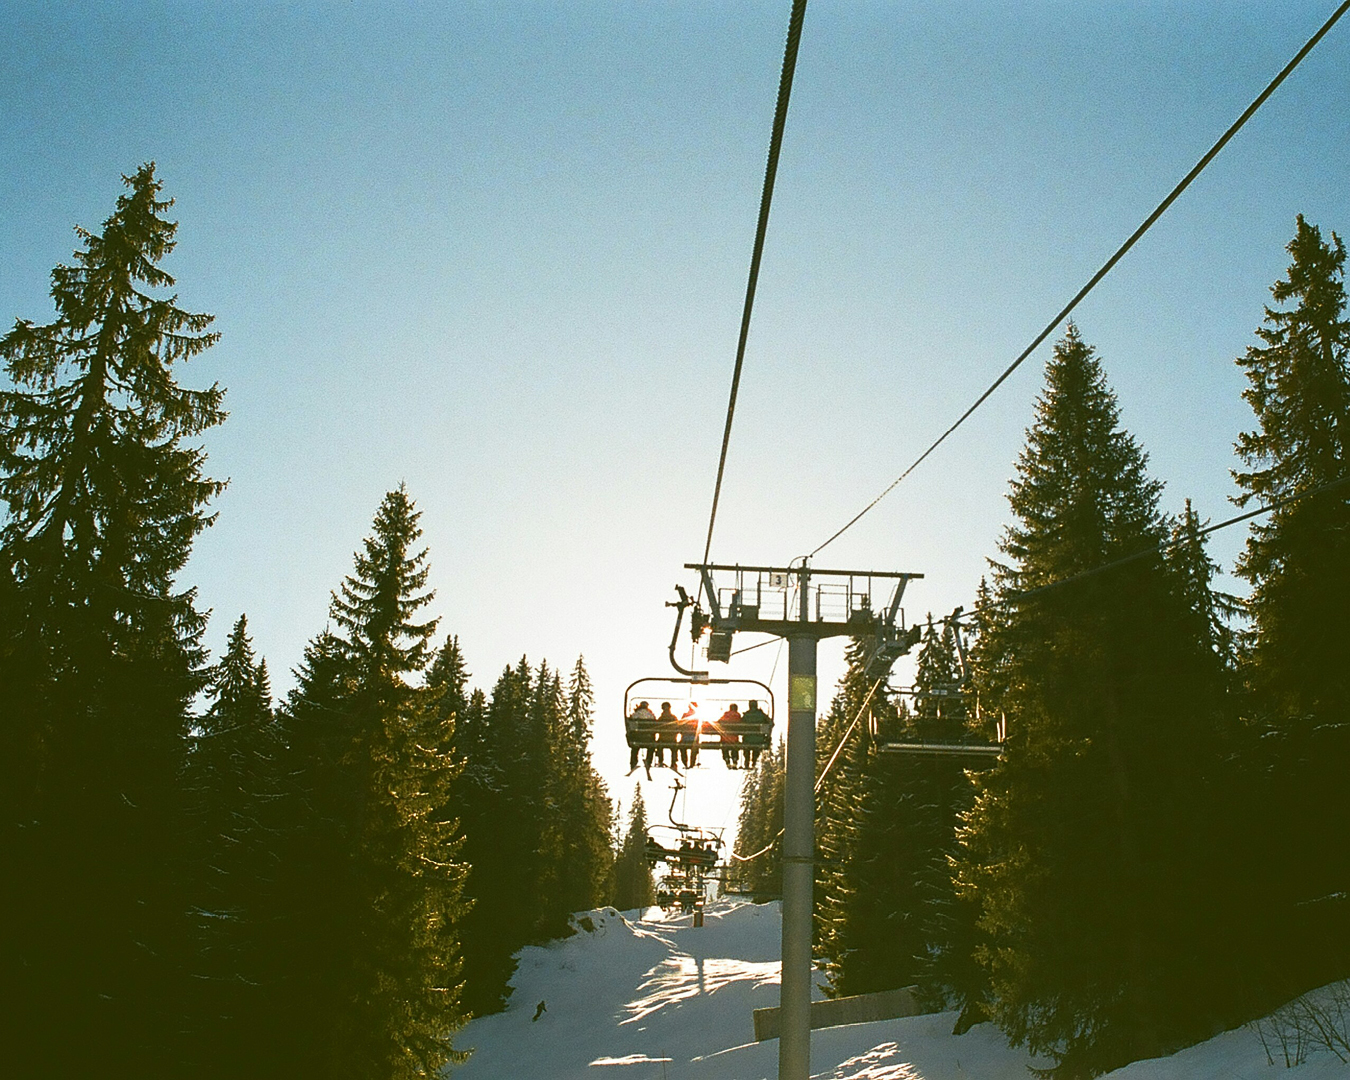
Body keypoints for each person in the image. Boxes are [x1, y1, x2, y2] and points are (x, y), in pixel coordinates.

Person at [626, 700, 655, 773]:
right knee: (651, 747)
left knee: (635, 748)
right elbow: (655, 724)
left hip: (637, 737)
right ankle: (649, 760)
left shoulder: (636, 714)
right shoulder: (650, 715)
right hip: (648, 737)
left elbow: (631, 724)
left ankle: (633, 762)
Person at [742, 699, 771, 767]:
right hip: (759, 739)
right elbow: (771, 723)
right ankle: (754, 761)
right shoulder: (762, 715)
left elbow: (740, 724)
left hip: (747, 739)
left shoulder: (746, 715)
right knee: (756, 747)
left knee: (747, 746)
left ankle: (747, 760)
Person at [653, 701, 679, 773]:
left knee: (659, 746)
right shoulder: (673, 717)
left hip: (663, 738)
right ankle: (673, 762)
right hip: (672, 738)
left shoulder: (661, 718)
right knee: (674, 748)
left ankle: (660, 760)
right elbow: (677, 727)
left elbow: (657, 727)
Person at [717, 702, 742, 767]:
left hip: (725, 738)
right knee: (735, 747)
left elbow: (719, 721)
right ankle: (735, 760)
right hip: (734, 738)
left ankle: (727, 759)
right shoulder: (738, 715)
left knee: (725, 748)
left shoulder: (726, 714)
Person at [679, 702, 700, 768]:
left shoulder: (685, 715)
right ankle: (692, 764)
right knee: (694, 749)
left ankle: (685, 763)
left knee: (682, 747)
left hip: (685, 738)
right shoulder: (698, 716)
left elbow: (680, 725)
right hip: (694, 738)